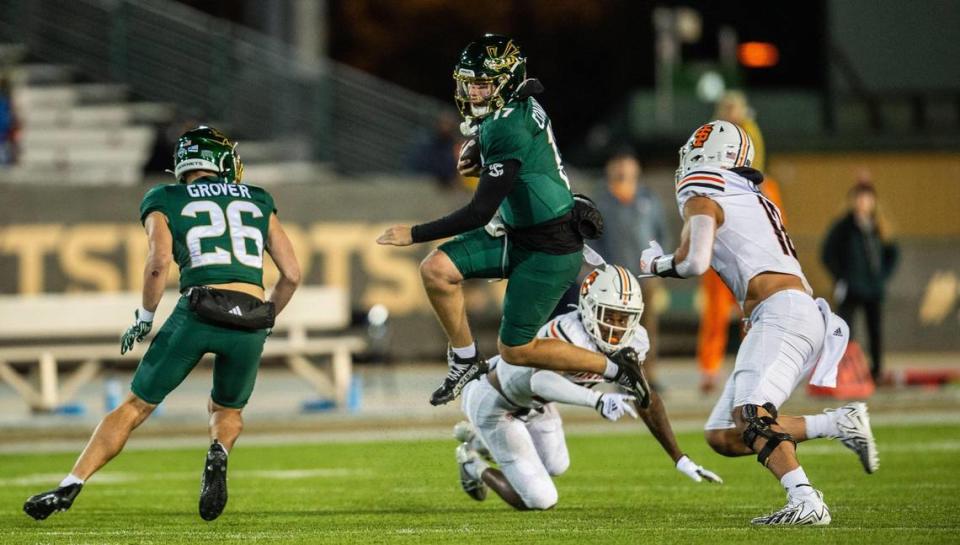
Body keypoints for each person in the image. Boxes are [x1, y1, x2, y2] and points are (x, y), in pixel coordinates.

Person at [23, 126, 301, 522]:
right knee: (227, 408)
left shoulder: (164, 196)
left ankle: (72, 482)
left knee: (136, 406)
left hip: (199, 310)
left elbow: (158, 262)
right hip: (251, 314)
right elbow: (291, 274)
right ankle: (218, 452)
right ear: (219, 160)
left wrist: (145, 316)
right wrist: (265, 319)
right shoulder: (258, 198)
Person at [377, 34, 647, 407]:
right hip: (521, 231)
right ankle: (466, 360)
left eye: (483, 84)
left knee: (516, 349)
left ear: (506, 82)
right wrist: (482, 152)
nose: (473, 93)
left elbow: (479, 211)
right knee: (437, 270)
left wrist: (414, 233)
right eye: (469, 84)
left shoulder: (507, 124)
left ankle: (618, 368)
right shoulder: (512, 109)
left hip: (549, 248)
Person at [639, 120, 879, 526]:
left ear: (707, 153)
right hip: (793, 310)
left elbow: (694, 259)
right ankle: (839, 422)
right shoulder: (748, 194)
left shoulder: (704, 185)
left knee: (751, 414)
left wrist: (656, 265)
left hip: (782, 311)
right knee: (724, 435)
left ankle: (806, 500)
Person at [454, 264, 721, 510]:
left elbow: (646, 398)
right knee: (540, 499)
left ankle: (478, 440)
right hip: (496, 401)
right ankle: (472, 463)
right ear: (589, 307)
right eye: (612, 316)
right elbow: (541, 380)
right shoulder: (568, 332)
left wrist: (679, 457)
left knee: (557, 465)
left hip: (535, 404)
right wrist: (597, 400)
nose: (618, 327)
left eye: (625, 318)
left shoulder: (635, 340)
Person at [697, 91, 778, 393]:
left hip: (750, 256)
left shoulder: (763, 183)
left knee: (753, 311)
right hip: (719, 251)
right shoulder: (709, 180)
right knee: (715, 313)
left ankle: (751, 366)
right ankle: (709, 369)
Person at [593, 151, 671, 387]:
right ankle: (622, 374)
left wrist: (660, 266)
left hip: (645, 277)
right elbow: (593, 239)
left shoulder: (648, 197)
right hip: (616, 279)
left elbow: (661, 233)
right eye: (618, 166)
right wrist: (602, 270)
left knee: (649, 329)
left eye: (627, 166)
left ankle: (650, 375)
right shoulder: (602, 201)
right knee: (618, 329)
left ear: (635, 169)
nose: (622, 171)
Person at [821, 177, 899, 382]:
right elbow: (827, 254)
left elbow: (892, 252)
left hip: (873, 288)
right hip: (852, 288)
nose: (863, 202)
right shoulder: (843, 227)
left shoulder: (879, 226)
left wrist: (882, 276)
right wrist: (842, 276)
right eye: (860, 198)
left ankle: (876, 372)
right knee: (845, 331)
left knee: (875, 332)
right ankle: (845, 372)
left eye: (867, 198)